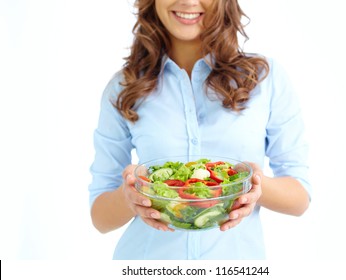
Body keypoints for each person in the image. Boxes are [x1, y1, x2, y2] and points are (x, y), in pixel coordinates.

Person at [89, 0, 311, 260]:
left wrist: (256, 185)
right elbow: (100, 216)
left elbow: (300, 198)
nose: (188, 1)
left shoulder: (265, 79)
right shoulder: (124, 87)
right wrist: (128, 198)